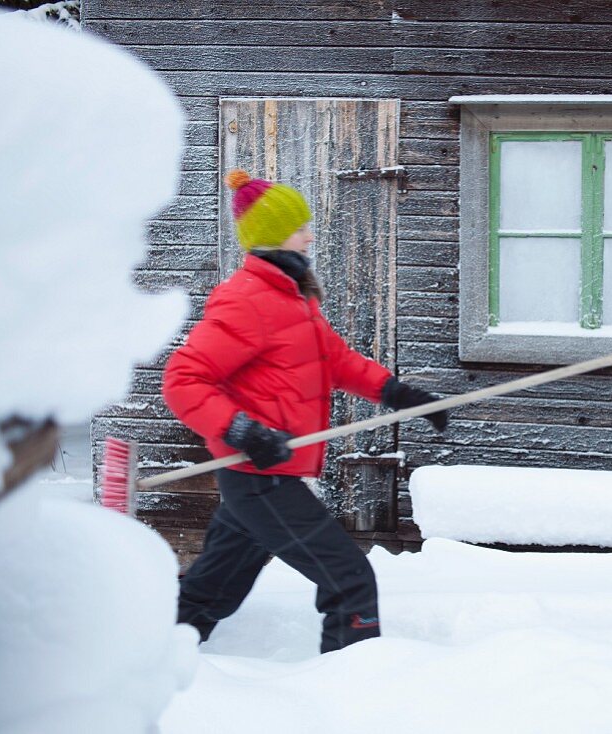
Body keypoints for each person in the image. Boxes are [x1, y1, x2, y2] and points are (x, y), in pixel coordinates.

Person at [163, 169, 447, 653]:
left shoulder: (292, 299)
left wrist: (398, 394)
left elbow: (333, 360)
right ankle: (353, 680)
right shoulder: (247, 300)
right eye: (300, 227)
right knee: (349, 579)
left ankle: (147, 650)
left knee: (211, 591)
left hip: (262, 474)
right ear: (274, 235)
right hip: (257, 471)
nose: (310, 234)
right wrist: (242, 431)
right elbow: (183, 380)